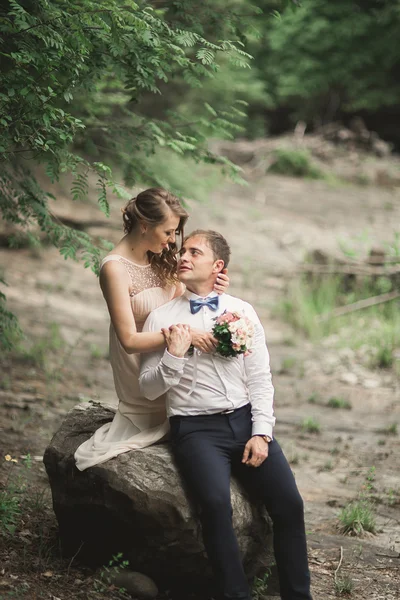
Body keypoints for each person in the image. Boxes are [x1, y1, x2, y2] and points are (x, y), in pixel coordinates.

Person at [139, 230, 313, 600]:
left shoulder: (242, 312)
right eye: (182, 250)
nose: (183, 255)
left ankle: (299, 596)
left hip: (246, 421)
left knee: (290, 504)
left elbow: (261, 379)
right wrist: (174, 354)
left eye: (194, 252)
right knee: (216, 505)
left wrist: (262, 432)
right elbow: (149, 388)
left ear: (217, 265)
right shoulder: (161, 318)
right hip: (196, 429)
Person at [74, 189, 229, 471]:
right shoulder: (114, 268)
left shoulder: (161, 254)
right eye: (168, 232)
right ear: (144, 225)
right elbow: (129, 340)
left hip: (174, 358)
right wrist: (183, 337)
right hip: (140, 371)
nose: (173, 241)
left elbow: (186, 298)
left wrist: (211, 286)